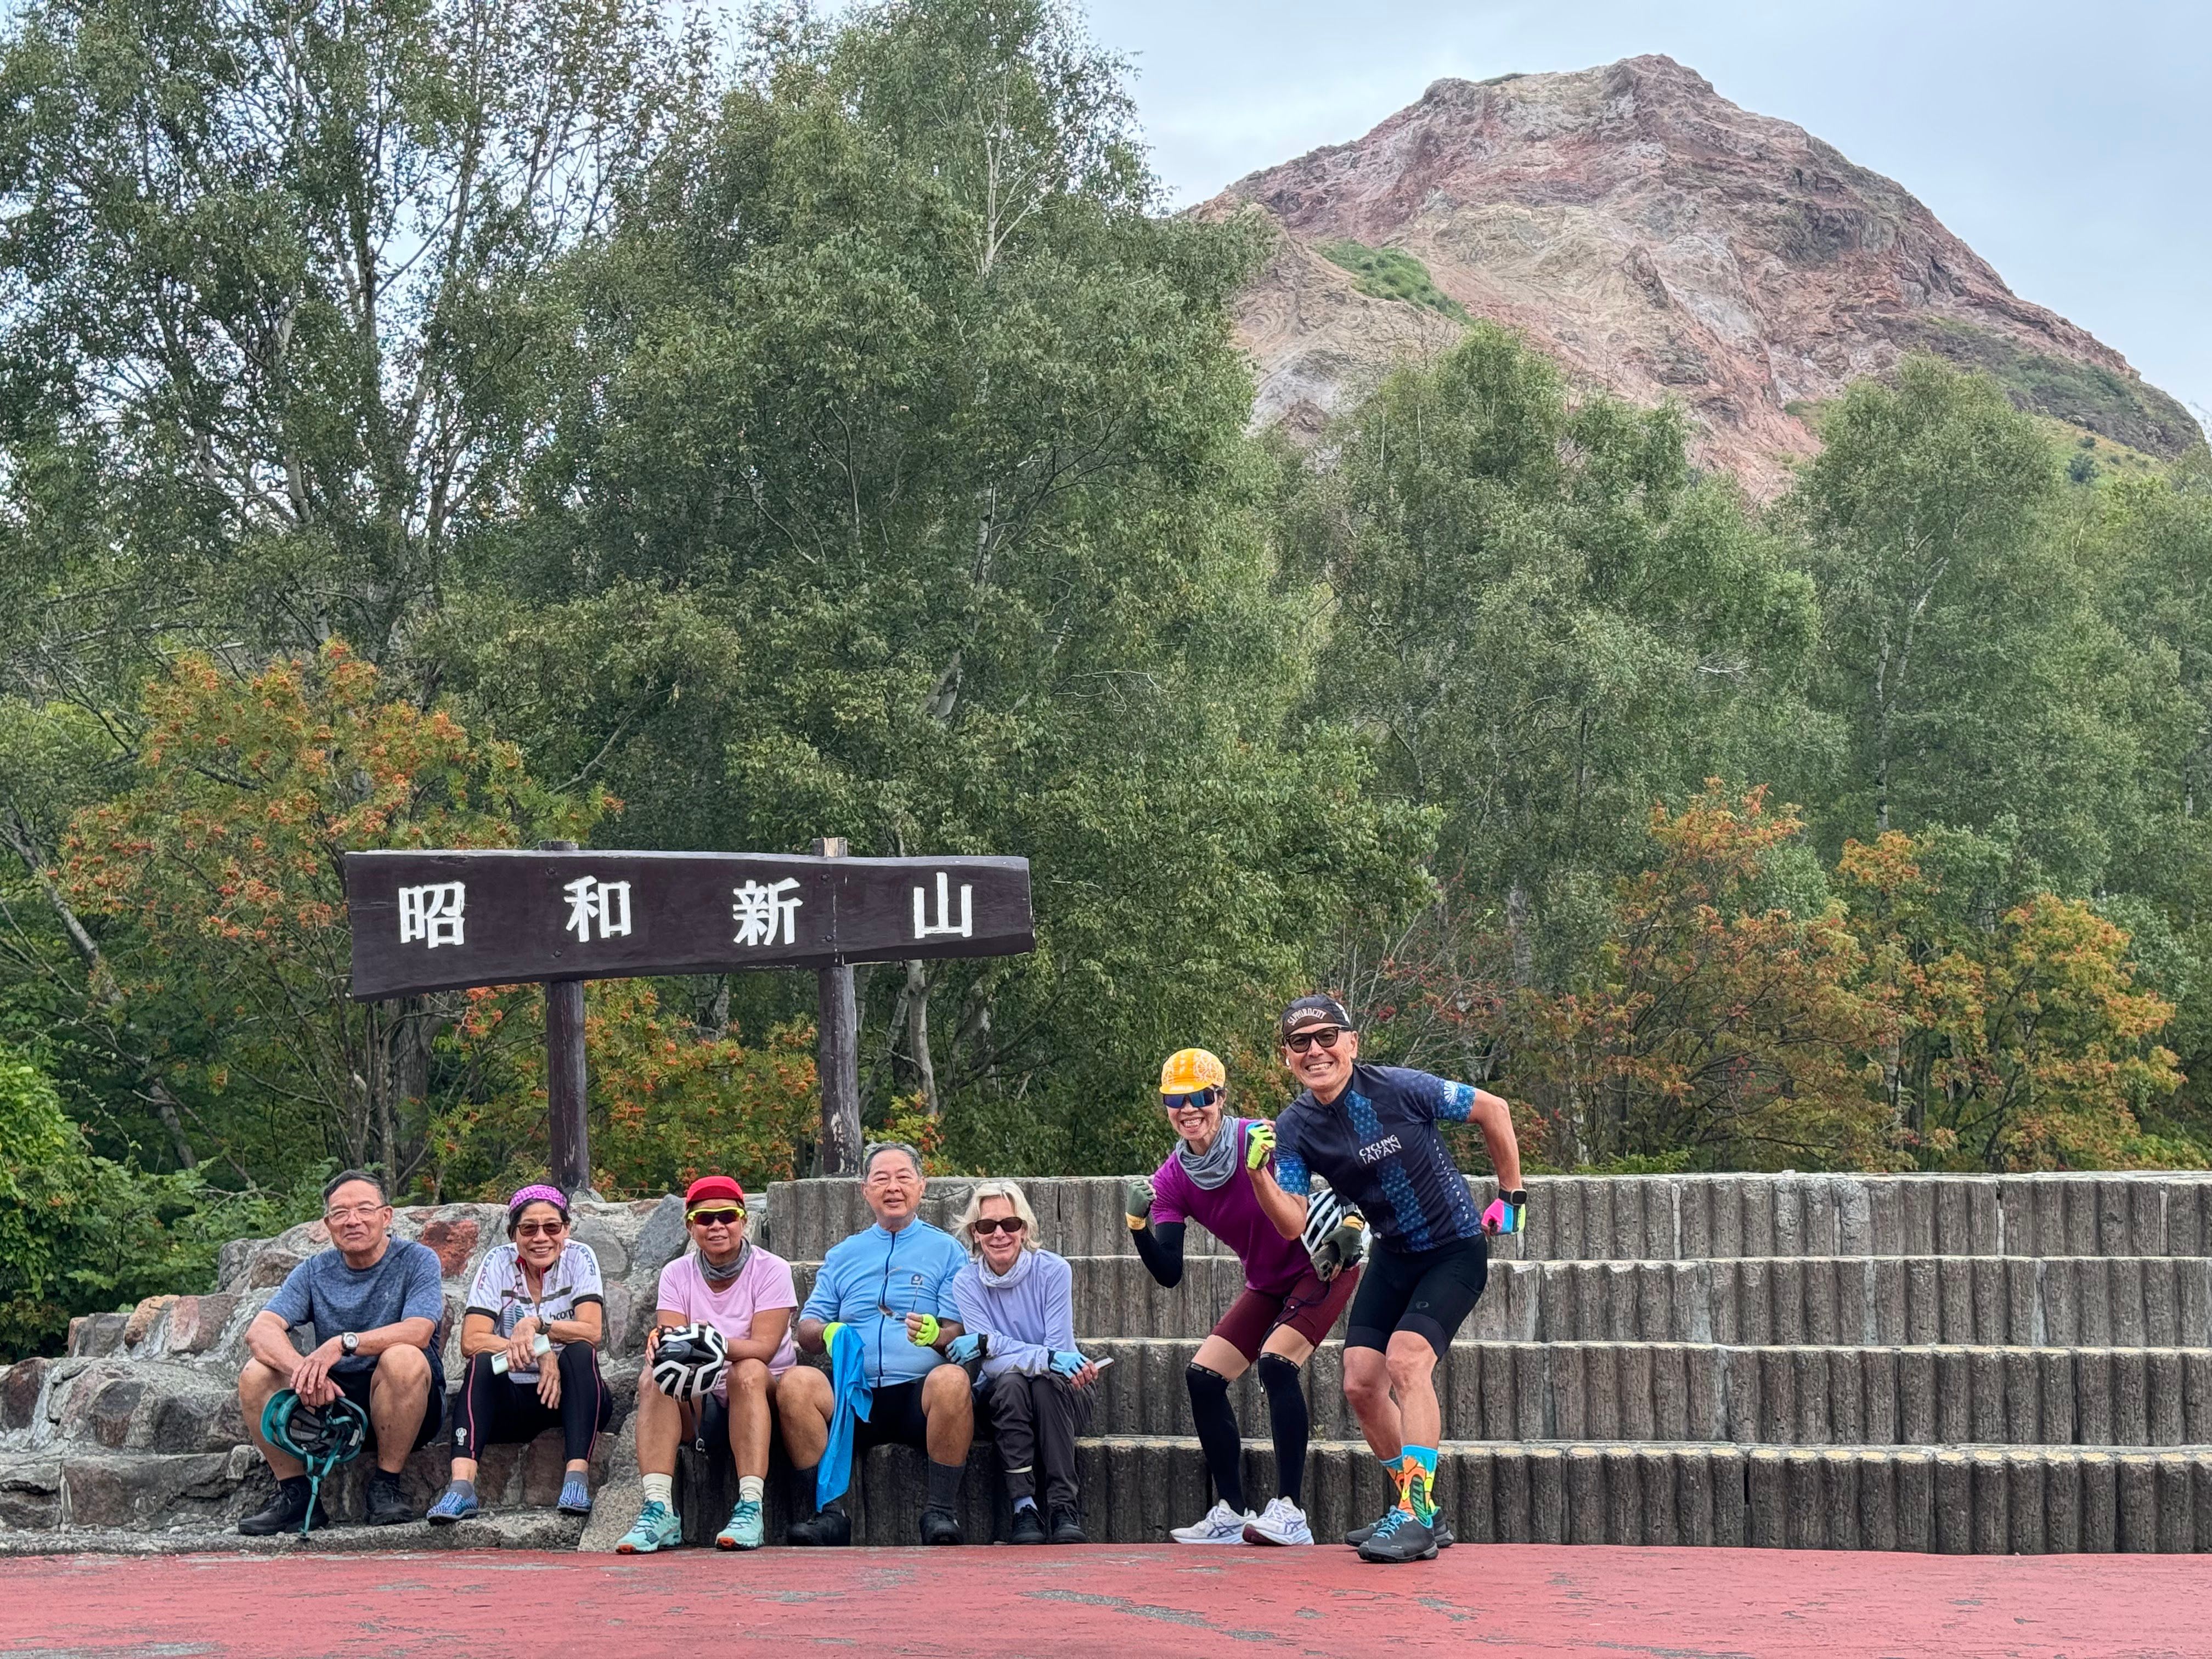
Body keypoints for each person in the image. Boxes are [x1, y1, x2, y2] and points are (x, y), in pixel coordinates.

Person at [1251, 995, 1528, 1565]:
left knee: (1406, 1361)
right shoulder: (1296, 1127)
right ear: (1287, 1059)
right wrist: (1259, 1175)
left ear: (1352, 1042)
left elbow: (1493, 1110)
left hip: (1453, 1251)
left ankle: (1415, 1515)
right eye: (1300, 1043)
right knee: (1359, 1383)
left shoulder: (1401, 1088)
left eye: (1328, 1036)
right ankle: (1419, 1507)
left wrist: (1512, 1196)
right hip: (1395, 1258)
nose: (1316, 1051)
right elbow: (1293, 1223)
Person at [1126, 1047, 1359, 1547]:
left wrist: (1355, 1224)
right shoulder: (1171, 1180)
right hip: (1268, 1280)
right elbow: (1168, 1273)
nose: (1189, 1109)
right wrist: (1138, 1227)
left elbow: (1345, 1173)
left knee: (1277, 1363)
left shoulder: (1261, 1137)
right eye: (1175, 1100)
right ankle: (1232, 1511)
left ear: (1221, 1097)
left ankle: (1293, 1513)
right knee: (1202, 1377)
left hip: (1323, 1261)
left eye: (1200, 1097)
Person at [775, 1141, 972, 1545]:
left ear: (922, 1186)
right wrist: (829, 1332)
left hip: (918, 1398)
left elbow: (959, 1330)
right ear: (865, 1190)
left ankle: (941, 1513)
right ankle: (829, 1514)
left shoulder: (948, 1250)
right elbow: (807, 1329)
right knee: (796, 1384)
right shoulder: (845, 1254)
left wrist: (937, 1336)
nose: (893, 1187)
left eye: (903, 1177)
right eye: (881, 1179)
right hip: (853, 1398)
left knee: (954, 1379)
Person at [236, 1170, 445, 1533]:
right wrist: (304, 1370)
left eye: (365, 1209)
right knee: (256, 1374)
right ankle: (297, 1496)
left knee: (404, 1357)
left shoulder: (417, 1260)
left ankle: (385, 1486)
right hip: (332, 1405)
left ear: (386, 1216)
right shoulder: (313, 1271)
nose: (353, 1221)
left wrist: (343, 1343)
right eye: (340, 1213)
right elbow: (261, 1330)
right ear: (327, 1224)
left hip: (406, 1400)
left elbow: (420, 1330)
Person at [615, 1175, 799, 1553]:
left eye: (727, 1216)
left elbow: (763, 1348)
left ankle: (751, 1506)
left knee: (745, 1371)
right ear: (690, 1226)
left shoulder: (773, 1269)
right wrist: (662, 1345)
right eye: (705, 1219)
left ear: (743, 1220)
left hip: (762, 1399)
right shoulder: (676, 1273)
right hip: (702, 1402)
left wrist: (702, 1341)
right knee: (655, 1376)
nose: (717, 1226)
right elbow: (672, 1342)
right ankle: (659, 1508)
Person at [428, 1184, 611, 1525]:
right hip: (513, 1400)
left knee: (581, 1352)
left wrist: (536, 1325)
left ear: (566, 1230)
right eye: (529, 1229)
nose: (541, 1237)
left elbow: (592, 1331)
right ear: (514, 1234)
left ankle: (576, 1480)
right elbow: (471, 1340)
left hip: (573, 1397)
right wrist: (542, 1352)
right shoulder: (497, 1261)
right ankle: (462, 1487)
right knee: (481, 1361)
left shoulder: (581, 1257)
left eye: (552, 1228)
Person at [947, 1180, 1101, 1544]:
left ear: (1025, 1228)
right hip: (1003, 1396)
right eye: (987, 1226)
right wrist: (1041, 1357)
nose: (999, 1234)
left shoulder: (1054, 1271)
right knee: (1013, 1384)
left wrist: (989, 1343)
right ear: (975, 1233)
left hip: (1062, 1395)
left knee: (1046, 1386)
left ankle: (1064, 1506)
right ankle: (1024, 1506)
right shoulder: (966, 1282)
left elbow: (1059, 1354)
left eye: (1010, 1224)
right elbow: (997, 1366)